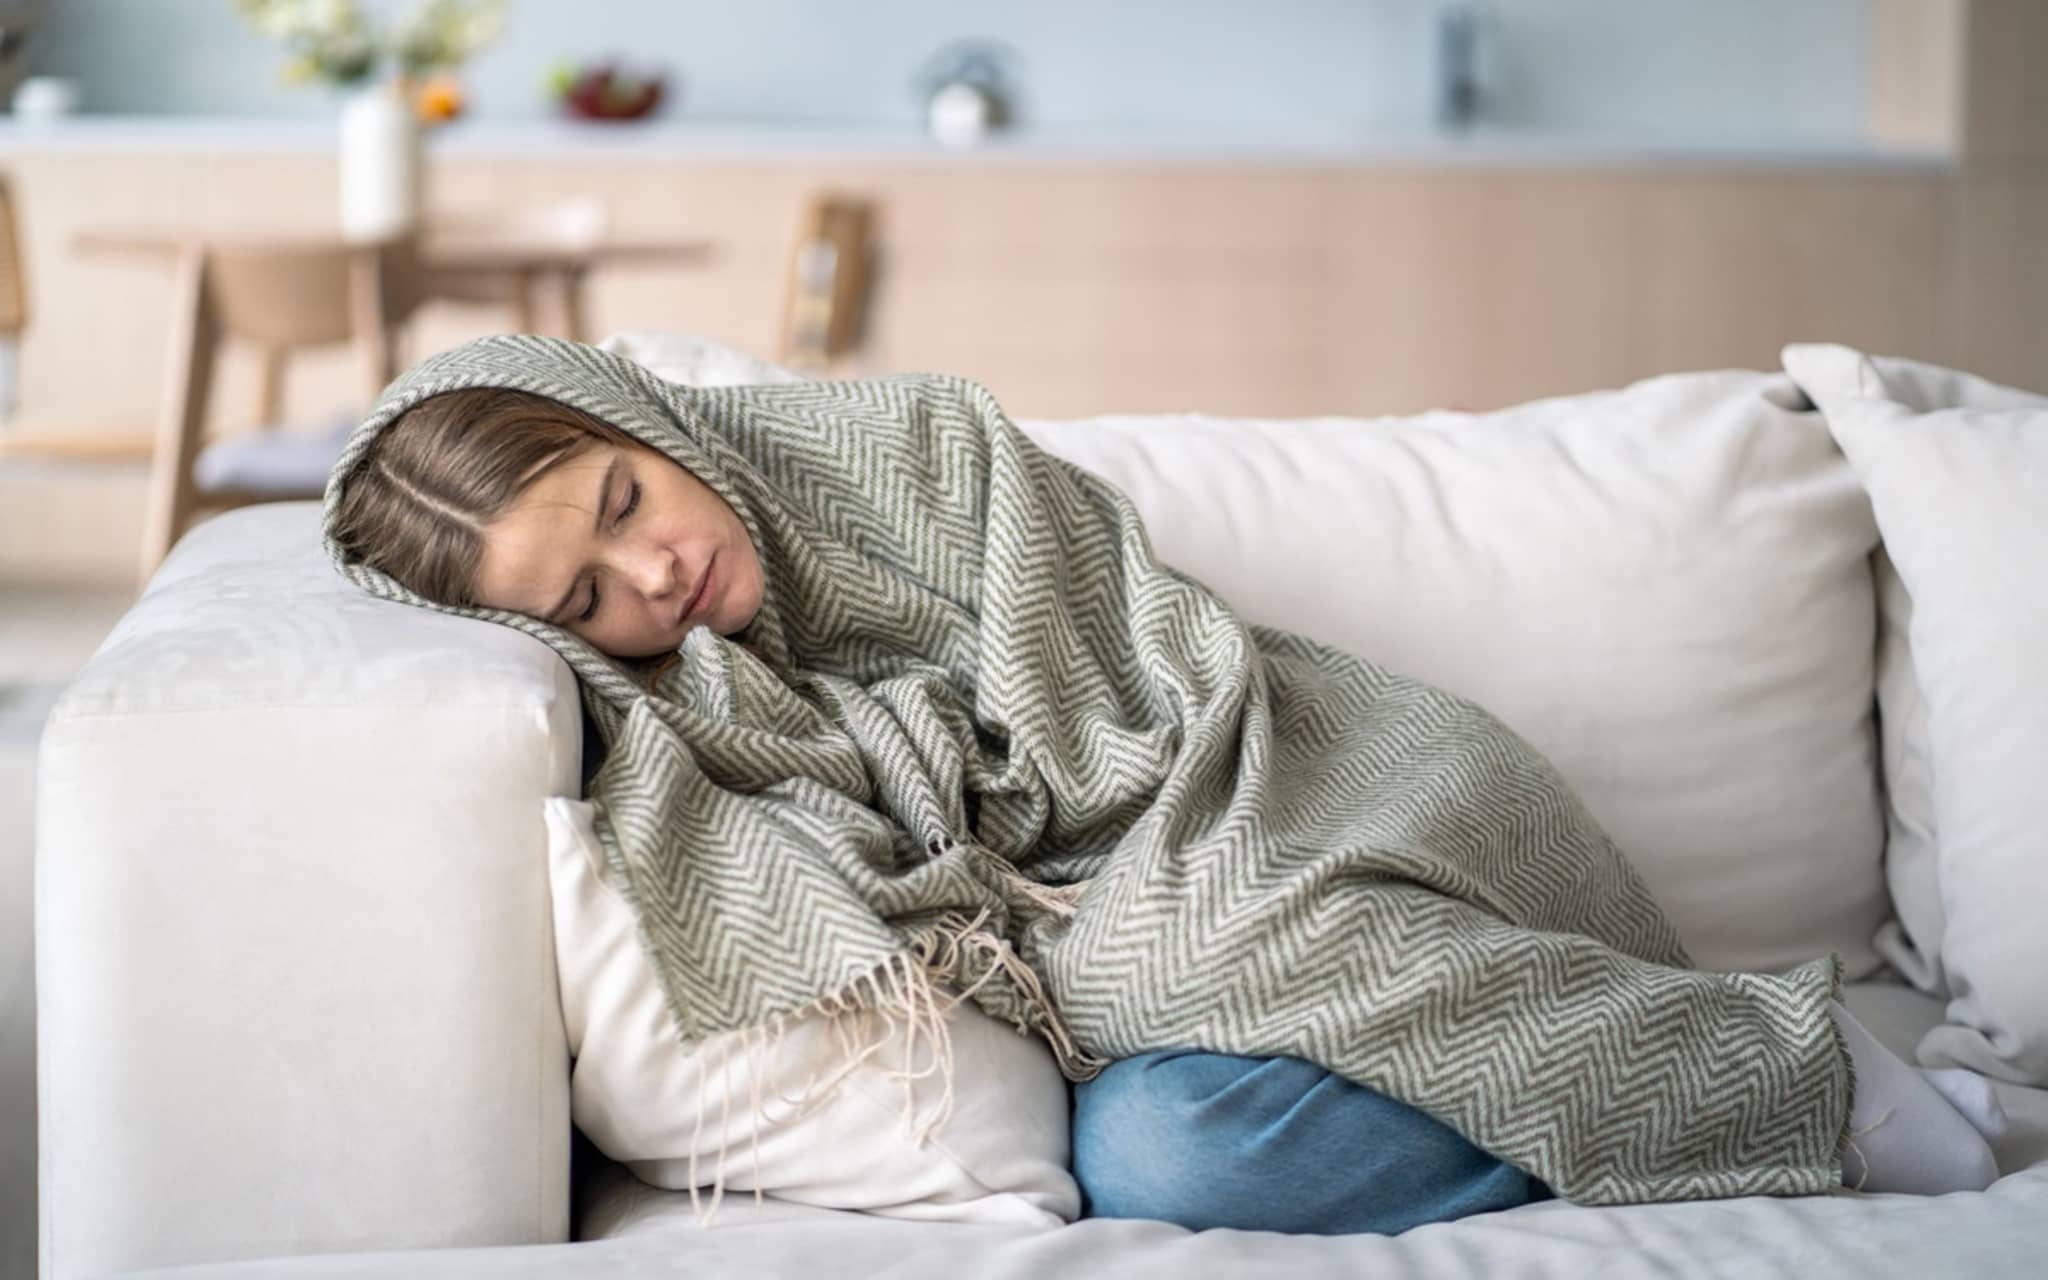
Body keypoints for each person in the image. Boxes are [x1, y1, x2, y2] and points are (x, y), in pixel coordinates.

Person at [329, 381, 2010, 1235]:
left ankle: (1780, 1082)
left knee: (1187, 971)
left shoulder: (911, 448)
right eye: (587, 603)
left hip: (1313, 791)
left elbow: (1133, 698)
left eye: (626, 500)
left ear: (629, 422)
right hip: (1145, 976)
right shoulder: (688, 720)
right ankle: (1698, 1081)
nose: (659, 572)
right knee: (1162, 1152)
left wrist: (1049, 861)